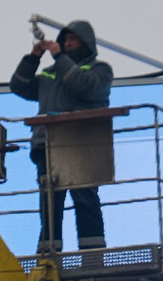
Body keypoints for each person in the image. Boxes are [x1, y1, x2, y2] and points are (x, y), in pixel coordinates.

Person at [8, 21, 113, 256]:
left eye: (73, 40)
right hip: (48, 144)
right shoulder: (51, 73)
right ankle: (48, 256)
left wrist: (58, 57)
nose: (67, 44)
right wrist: (33, 58)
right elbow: (19, 87)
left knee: (85, 198)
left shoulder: (100, 70)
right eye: (65, 40)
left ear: (86, 43)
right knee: (50, 202)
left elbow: (84, 87)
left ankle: (93, 255)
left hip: (82, 144)